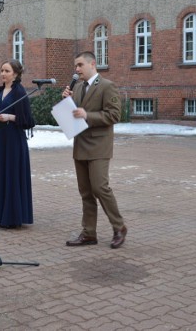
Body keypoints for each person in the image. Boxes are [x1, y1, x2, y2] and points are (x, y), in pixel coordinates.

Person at [62, 51, 127, 249]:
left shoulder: (107, 86)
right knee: (86, 192)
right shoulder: (79, 87)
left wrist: (87, 115)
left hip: (99, 146)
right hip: (80, 144)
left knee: (100, 187)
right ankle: (89, 233)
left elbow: (114, 115)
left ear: (93, 64)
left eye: (80, 65)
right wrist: (66, 101)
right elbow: (73, 114)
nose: (77, 69)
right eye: (75, 66)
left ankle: (119, 227)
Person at [0, 59, 35, 228]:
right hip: (1, 139)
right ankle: (1, 214)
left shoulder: (19, 92)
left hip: (15, 139)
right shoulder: (0, 91)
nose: (2, 74)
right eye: (1, 70)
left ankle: (13, 217)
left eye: (6, 71)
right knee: (1, 174)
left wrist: (9, 117)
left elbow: (28, 120)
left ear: (15, 74)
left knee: (12, 174)